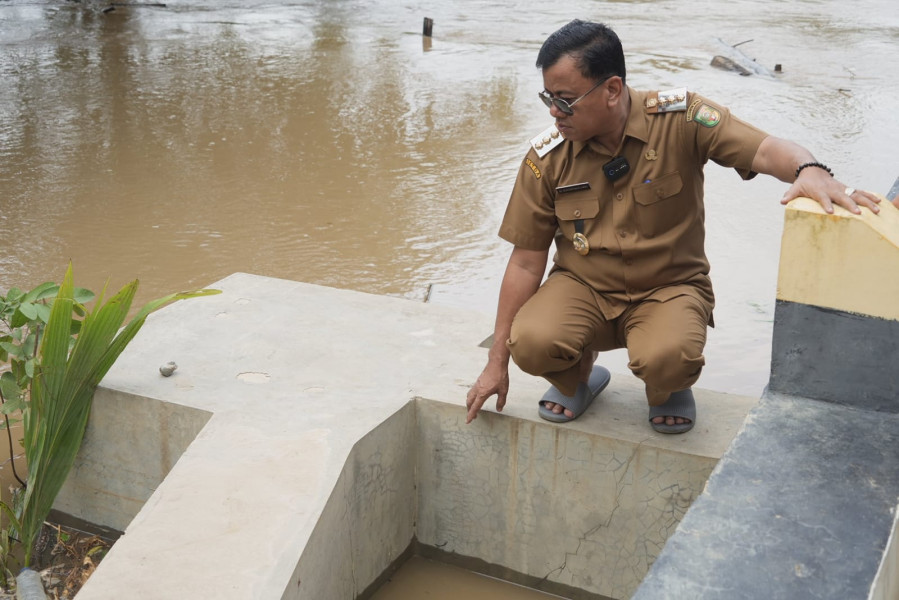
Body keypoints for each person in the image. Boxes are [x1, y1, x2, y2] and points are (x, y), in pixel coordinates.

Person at [465, 19, 882, 434]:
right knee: (532, 342)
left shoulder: (681, 119)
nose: (556, 112)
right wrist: (496, 362)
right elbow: (524, 263)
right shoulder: (548, 158)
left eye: (567, 100)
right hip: (583, 287)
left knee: (669, 358)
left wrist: (808, 169)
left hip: (668, 288)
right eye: (548, 98)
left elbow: (765, 149)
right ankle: (576, 375)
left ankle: (666, 389)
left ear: (611, 90)